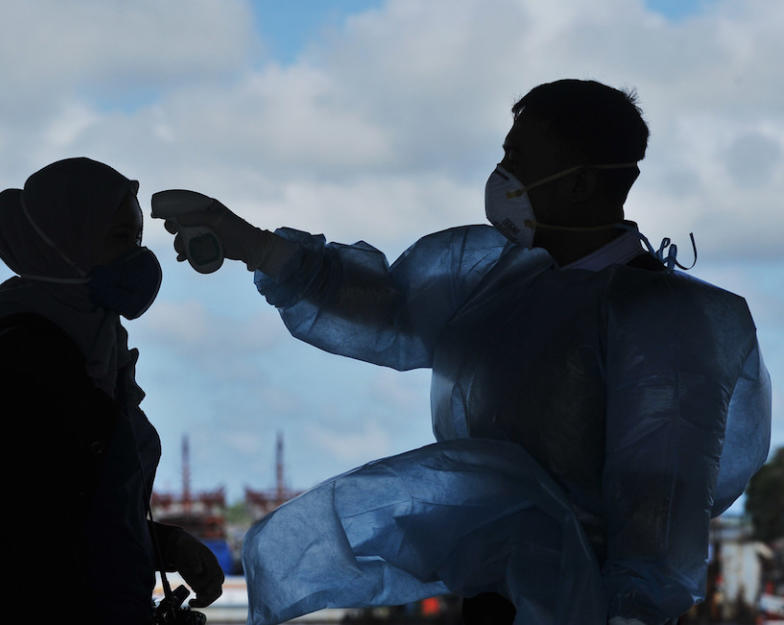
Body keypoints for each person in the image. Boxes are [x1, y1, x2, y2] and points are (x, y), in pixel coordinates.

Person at [157, 80, 772, 625]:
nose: (503, 176)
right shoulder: (499, 279)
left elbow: (657, 512)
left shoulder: (661, 316)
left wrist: (625, 612)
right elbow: (385, 306)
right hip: (496, 597)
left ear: (584, 181)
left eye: (520, 159)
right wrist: (252, 245)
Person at [0, 158, 223, 623]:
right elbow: (34, 539)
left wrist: (166, 545)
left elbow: (88, 514)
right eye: (119, 239)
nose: (137, 257)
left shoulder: (97, 347)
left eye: (137, 240)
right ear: (65, 243)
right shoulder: (20, 359)